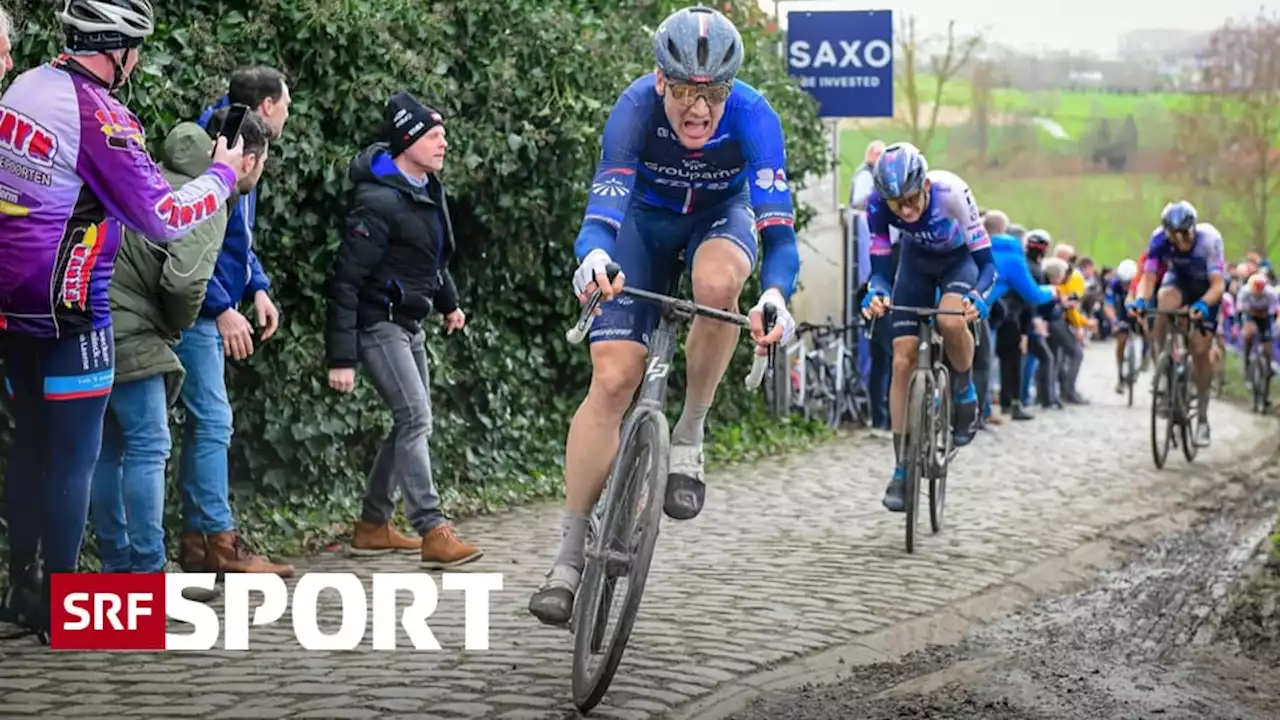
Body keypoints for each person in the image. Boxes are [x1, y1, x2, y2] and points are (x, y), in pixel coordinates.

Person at [527, 5, 799, 626]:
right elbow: (603, 211)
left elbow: (780, 240)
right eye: (683, 92)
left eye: (713, 93)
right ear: (659, 81)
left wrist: (776, 297)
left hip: (718, 221)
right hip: (642, 228)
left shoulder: (755, 118)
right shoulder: (634, 109)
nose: (698, 109)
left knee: (716, 285)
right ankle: (568, 557)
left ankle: (691, 433)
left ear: (730, 89)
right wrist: (593, 255)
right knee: (613, 380)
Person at [0, 0, 247, 640]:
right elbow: (163, 215)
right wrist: (222, 174)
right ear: (121, 52)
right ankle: (60, 605)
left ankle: (20, 587)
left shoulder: (23, 86)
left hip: (10, 309)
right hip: (73, 313)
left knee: (29, 445)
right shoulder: (104, 117)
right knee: (75, 458)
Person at [89, 109, 272, 597]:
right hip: (134, 331)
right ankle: (149, 573)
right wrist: (176, 322)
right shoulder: (209, 199)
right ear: (248, 161)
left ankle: (118, 569)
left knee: (108, 450)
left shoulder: (157, 174)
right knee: (148, 447)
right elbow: (185, 279)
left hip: (92, 319)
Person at [325, 92, 482, 568]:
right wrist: (341, 358)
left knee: (412, 419)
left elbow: (430, 259)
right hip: (378, 324)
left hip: (410, 322)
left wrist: (449, 304)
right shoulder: (377, 201)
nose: (444, 143)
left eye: (443, 134)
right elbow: (345, 279)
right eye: (434, 136)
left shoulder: (425, 189)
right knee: (415, 418)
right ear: (408, 141)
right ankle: (432, 528)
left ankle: (373, 524)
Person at [173, 65, 294, 576]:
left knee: (207, 424)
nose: (289, 113)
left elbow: (238, 237)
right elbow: (194, 245)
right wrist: (221, 307)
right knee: (210, 422)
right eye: (287, 104)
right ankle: (216, 541)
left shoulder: (242, 146)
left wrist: (258, 286)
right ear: (267, 106)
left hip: (212, 300)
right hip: (197, 308)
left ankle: (200, 542)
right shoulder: (220, 156)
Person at [860, 142, 996, 513]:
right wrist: (877, 291)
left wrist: (980, 297)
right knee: (902, 359)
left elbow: (987, 265)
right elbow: (882, 267)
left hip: (959, 262)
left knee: (949, 320)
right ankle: (902, 468)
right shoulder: (875, 204)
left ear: (925, 186)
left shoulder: (950, 191)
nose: (904, 210)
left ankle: (965, 390)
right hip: (916, 265)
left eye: (911, 199)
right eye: (895, 204)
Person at [1127, 201, 1226, 448]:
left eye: (1185, 234)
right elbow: (1149, 277)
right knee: (1162, 303)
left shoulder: (1209, 240)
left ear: (1193, 229)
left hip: (1206, 288)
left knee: (1200, 349)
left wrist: (1203, 305)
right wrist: (1142, 299)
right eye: (1175, 235)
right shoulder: (1159, 239)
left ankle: (1202, 418)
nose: (1180, 240)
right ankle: (1164, 366)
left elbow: (1218, 285)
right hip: (1179, 282)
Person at [982, 210, 1054, 421]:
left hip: (991, 313)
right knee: (1004, 363)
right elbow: (1030, 298)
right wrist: (1053, 293)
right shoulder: (1016, 260)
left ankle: (991, 407)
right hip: (1007, 317)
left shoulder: (975, 248)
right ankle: (1007, 405)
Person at [1236, 271, 1278, 405]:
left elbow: (1273, 311)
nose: (1258, 294)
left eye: (1261, 291)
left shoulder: (1271, 293)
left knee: (1268, 343)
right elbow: (1240, 308)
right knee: (1248, 334)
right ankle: (1247, 361)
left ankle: (1268, 365)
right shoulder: (1245, 291)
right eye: (1256, 292)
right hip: (1249, 315)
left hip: (1265, 317)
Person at [1107, 258, 1139, 392]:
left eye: (1129, 283)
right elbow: (1108, 305)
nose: (1126, 286)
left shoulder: (1140, 283)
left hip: (1139, 312)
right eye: (1124, 283)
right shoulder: (1114, 284)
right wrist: (1114, 320)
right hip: (1122, 314)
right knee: (1121, 341)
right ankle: (1120, 376)